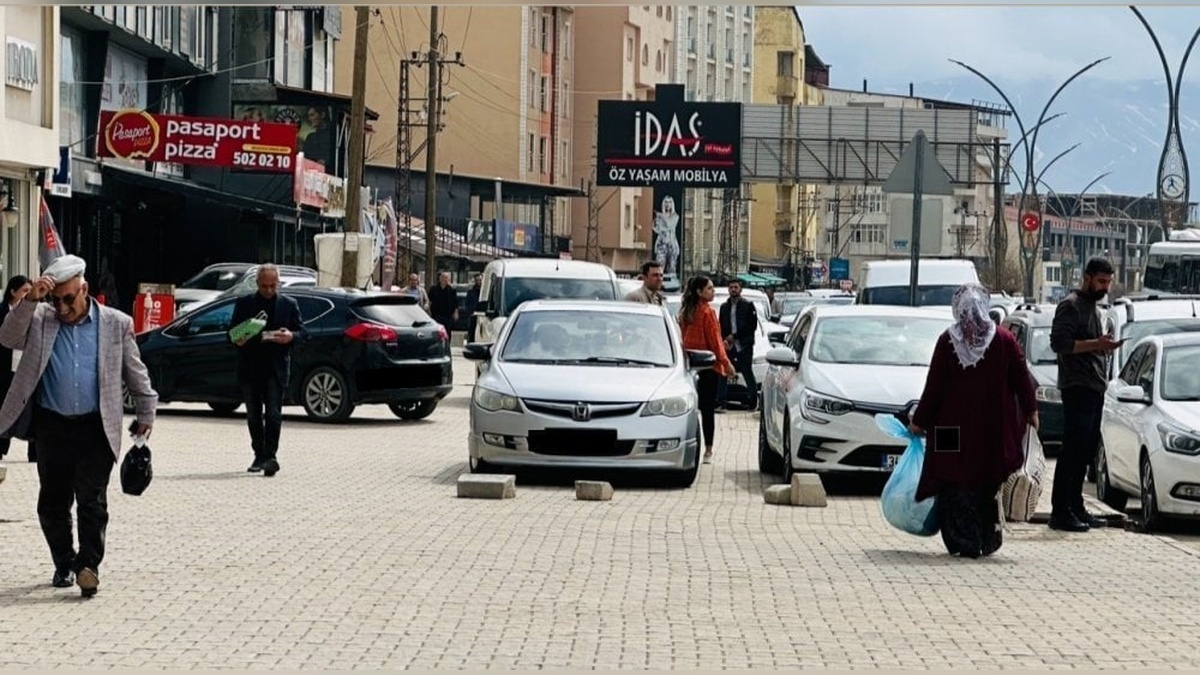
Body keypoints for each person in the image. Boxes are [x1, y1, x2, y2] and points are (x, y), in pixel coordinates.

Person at [0, 255, 157, 597]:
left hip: (94, 426)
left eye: (68, 299)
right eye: (56, 299)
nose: (62, 306)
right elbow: (7, 337)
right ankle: (63, 562)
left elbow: (135, 372)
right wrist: (31, 300)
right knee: (53, 502)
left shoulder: (116, 324)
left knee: (92, 501)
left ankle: (88, 566)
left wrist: (146, 412)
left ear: (84, 290)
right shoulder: (40, 318)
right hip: (51, 425)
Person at [908, 283, 1038, 558]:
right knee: (986, 481)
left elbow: (934, 388)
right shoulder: (1004, 340)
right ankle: (986, 537)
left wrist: (919, 421)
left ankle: (962, 541)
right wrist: (1031, 411)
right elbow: (1022, 380)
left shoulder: (947, 341)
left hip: (949, 428)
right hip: (992, 427)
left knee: (952, 480)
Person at [1048, 257, 1119, 532]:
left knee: (1086, 450)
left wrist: (1103, 346)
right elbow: (1059, 343)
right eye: (1101, 281)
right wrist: (1096, 344)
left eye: (1109, 282)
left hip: (1094, 386)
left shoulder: (1093, 307)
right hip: (1077, 387)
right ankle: (1061, 511)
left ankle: (1076, 506)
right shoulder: (1071, 305)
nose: (1106, 287)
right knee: (1073, 450)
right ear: (1087, 278)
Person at [230, 264, 303, 477]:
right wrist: (239, 337)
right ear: (257, 284)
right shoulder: (245, 303)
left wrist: (291, 336)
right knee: (253, 416)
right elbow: (232, 334)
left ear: (278, 283)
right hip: (250, 367)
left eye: (273, 286)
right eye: (264, 286)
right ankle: (258, 454)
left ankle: (271, 457)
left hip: (276, 368)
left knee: (273, 414)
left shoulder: (289, 304)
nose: (269, 290)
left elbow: (303, 332)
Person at [677, 276, 734, 465]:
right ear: (699, 292)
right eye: (709, 288)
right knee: (708, 409)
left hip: (689, 366)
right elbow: (715, 342)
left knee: (691, 409)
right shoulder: (707, 313)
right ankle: (708, 450)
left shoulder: (685, 312)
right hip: (708, 367)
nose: (713, 291)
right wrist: (725, 362)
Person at [0, 275, 30, 460]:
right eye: (24, 291)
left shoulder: (36, 314)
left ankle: (34, 452)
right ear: (13, 291)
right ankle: (1, 447)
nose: (28, 295)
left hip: (26, 368)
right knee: (4, 405)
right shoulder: (2, 312)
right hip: (4, 369)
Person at [717, 280, 758, 411]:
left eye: (735, 287)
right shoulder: (724, 307)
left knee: (747, 372)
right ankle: (721, 403)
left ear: (740, 290)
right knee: (723, 371)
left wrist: (735, 336)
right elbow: (721, 326)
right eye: (731, 287)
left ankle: (753, 402)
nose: (733, 290)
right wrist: (725, 340)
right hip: (729, 346)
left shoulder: (748, 305)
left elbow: (752, 326)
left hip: (744, 345)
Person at [428, 271, 459, 343]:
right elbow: (429, 300)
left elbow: (455, 302)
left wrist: (456, 312)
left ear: (448, 279)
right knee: (436, 331)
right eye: (442, 277)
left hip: (447, 315)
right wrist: (429, 311)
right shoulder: (434, 289)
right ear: (439, 278)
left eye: (446, 278)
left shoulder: (452, 290)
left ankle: (447, 346)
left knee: (447, 332)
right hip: (436, 314)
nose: (444, 279)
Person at [464, 274, 482, 341]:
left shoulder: (485, 291)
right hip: (473, 315)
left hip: (482, 314)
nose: (478, 282)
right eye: (477, 280)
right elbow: (467, 303)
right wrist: (470, 312)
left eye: (480, 280)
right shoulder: (471, 291)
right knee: (472, 332)